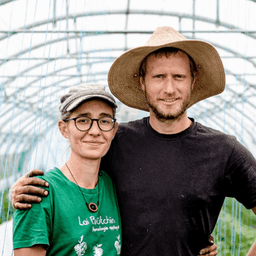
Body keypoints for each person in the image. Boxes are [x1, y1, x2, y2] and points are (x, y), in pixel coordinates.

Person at [11, 26, 255, 255]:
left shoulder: (224, 151)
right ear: (142, 82)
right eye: (158, 76)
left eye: (179, 76)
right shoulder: (116, 140)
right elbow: (75, 182)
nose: (169, 88)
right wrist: (20, 192)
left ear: (192, 80)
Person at [12, 84, 122, 255]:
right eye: (83, 120)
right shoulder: (38, 194)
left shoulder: (112, 184)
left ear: (114, 130)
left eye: (104, 120)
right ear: (64, 129)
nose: (95, 131)